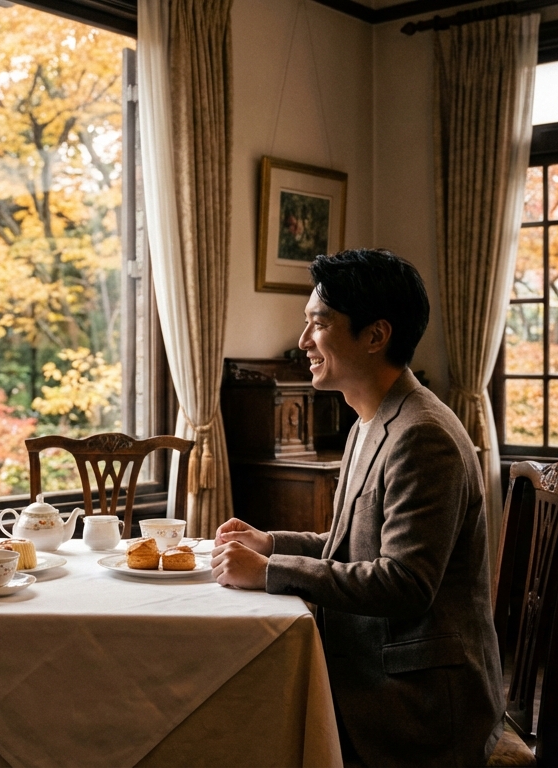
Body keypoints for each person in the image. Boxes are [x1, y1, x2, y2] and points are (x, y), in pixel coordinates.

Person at [210, 249, 503, 766]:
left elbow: (404, 583)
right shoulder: (370, 421)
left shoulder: (423, 435)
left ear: (375, 336)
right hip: (374, 671)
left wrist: (270, 572)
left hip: (420, 703)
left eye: (319, 324)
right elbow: (351, 546)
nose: (303, 341)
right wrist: (269, 544)